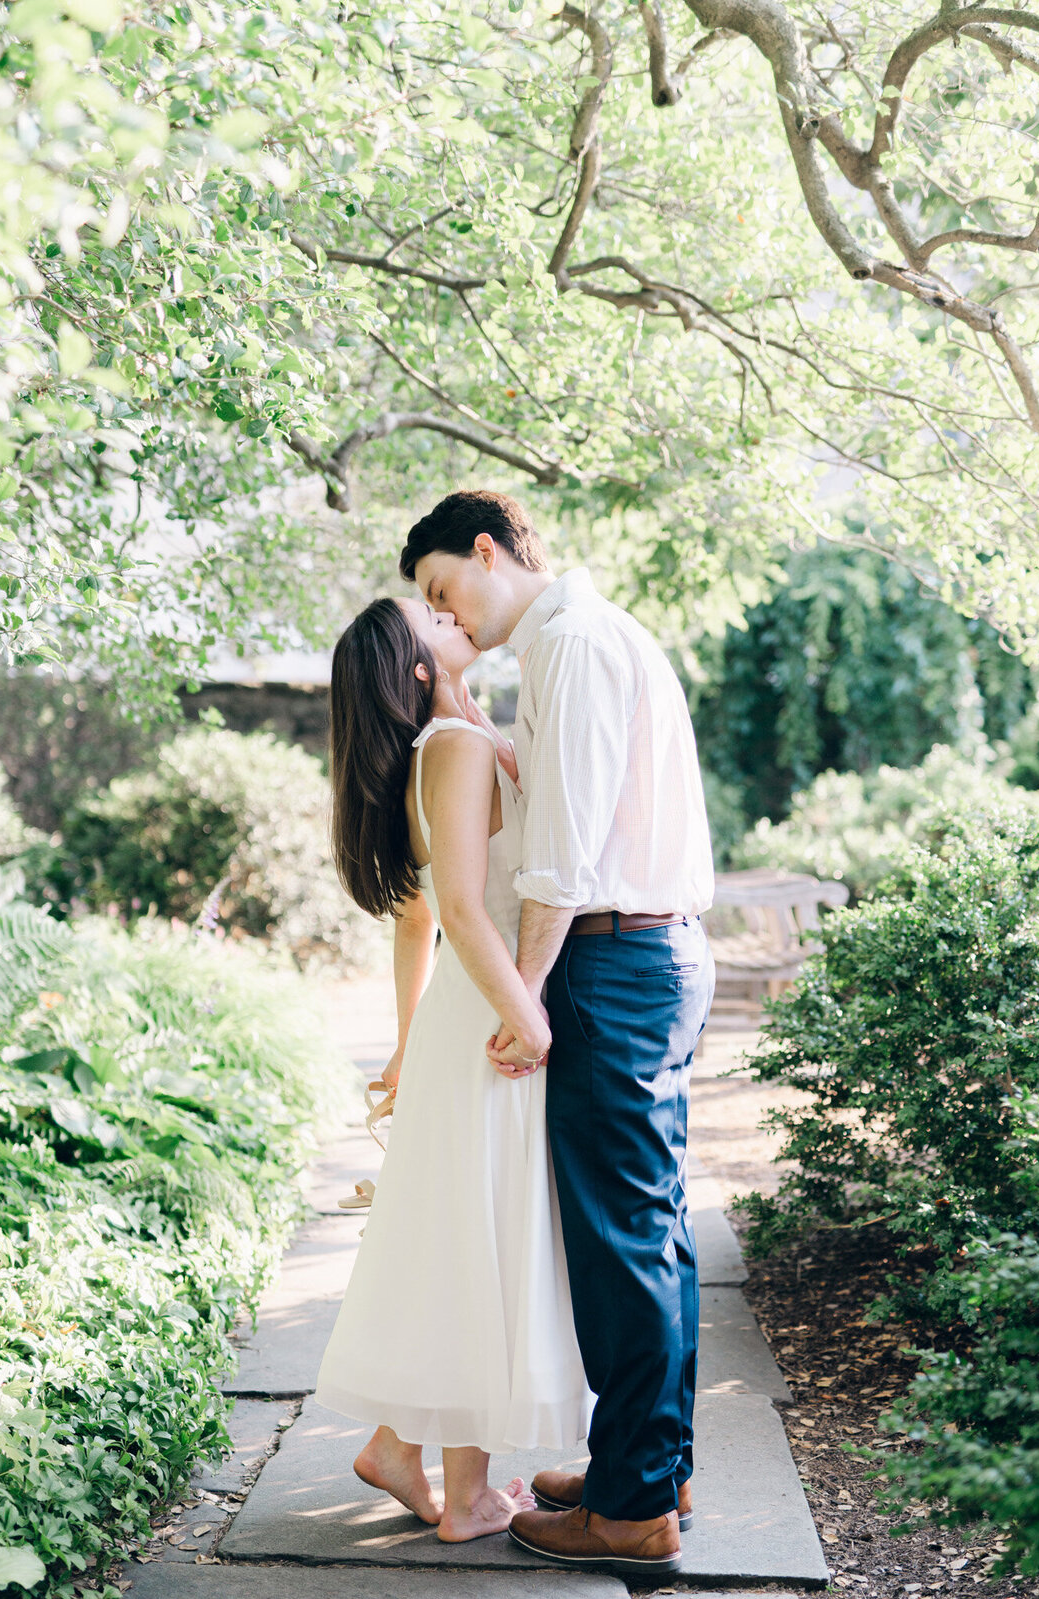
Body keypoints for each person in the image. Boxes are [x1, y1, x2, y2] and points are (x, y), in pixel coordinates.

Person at [401, 489, 716, 1579]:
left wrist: (524, 1001)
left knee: (621, 1243)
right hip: (657, 952)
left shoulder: (572, 647)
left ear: (488, 551)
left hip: (613, 962)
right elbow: (557, 790)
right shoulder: (593, 637)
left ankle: (634, 1508)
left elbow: (562, 860)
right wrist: (468, 711)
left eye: (446, 588)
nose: (449, 614)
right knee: (655, 1230)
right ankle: (649, 1465)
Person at [313, 594, 591, 1543]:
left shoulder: (445, 750)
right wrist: (530, 1019)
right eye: (426, 617)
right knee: (487, 1236)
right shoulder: (458, 750)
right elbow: (464, 910)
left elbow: (417, 916)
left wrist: (404, 1040)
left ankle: (414, 1454)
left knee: (473, 1237)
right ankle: (452, 1485)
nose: (450, 612)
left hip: (462, 1016)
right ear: (420, 667)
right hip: (492, 1017)